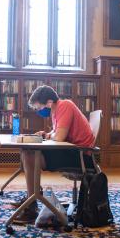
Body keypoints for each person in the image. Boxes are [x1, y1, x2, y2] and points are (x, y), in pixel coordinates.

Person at [13, 85, 95, 224]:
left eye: (39, 108)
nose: (40, 111)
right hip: (72, 151)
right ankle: (31, 197)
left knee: (29, 155)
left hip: (80, 157)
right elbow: (57, 133)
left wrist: (51, 136)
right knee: (27, 151)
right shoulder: (57, 110)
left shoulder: (65, 106)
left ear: (49, 103)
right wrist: (47, 134)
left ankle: (31, 204)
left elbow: (60, 137)